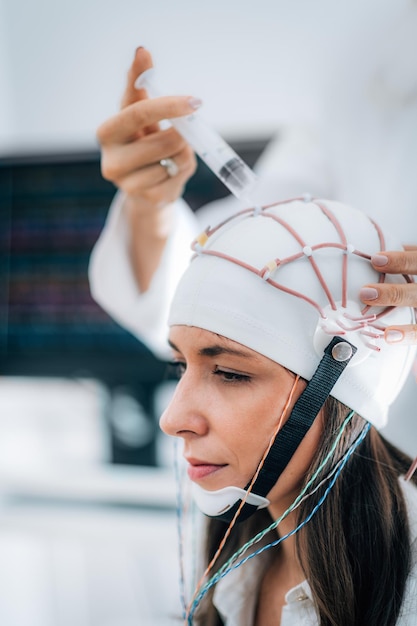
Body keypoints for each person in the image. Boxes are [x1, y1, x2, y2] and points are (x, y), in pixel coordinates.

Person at [159, 197, 417, 625]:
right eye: (181, 366)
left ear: (341, 382)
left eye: (229, 373)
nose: (173, 420)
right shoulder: (236, 563)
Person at [90, 37, 417, 361]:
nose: (175, 416)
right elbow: (222, 279)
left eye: (230, 375)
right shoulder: (372, 67)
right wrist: (150, 204)